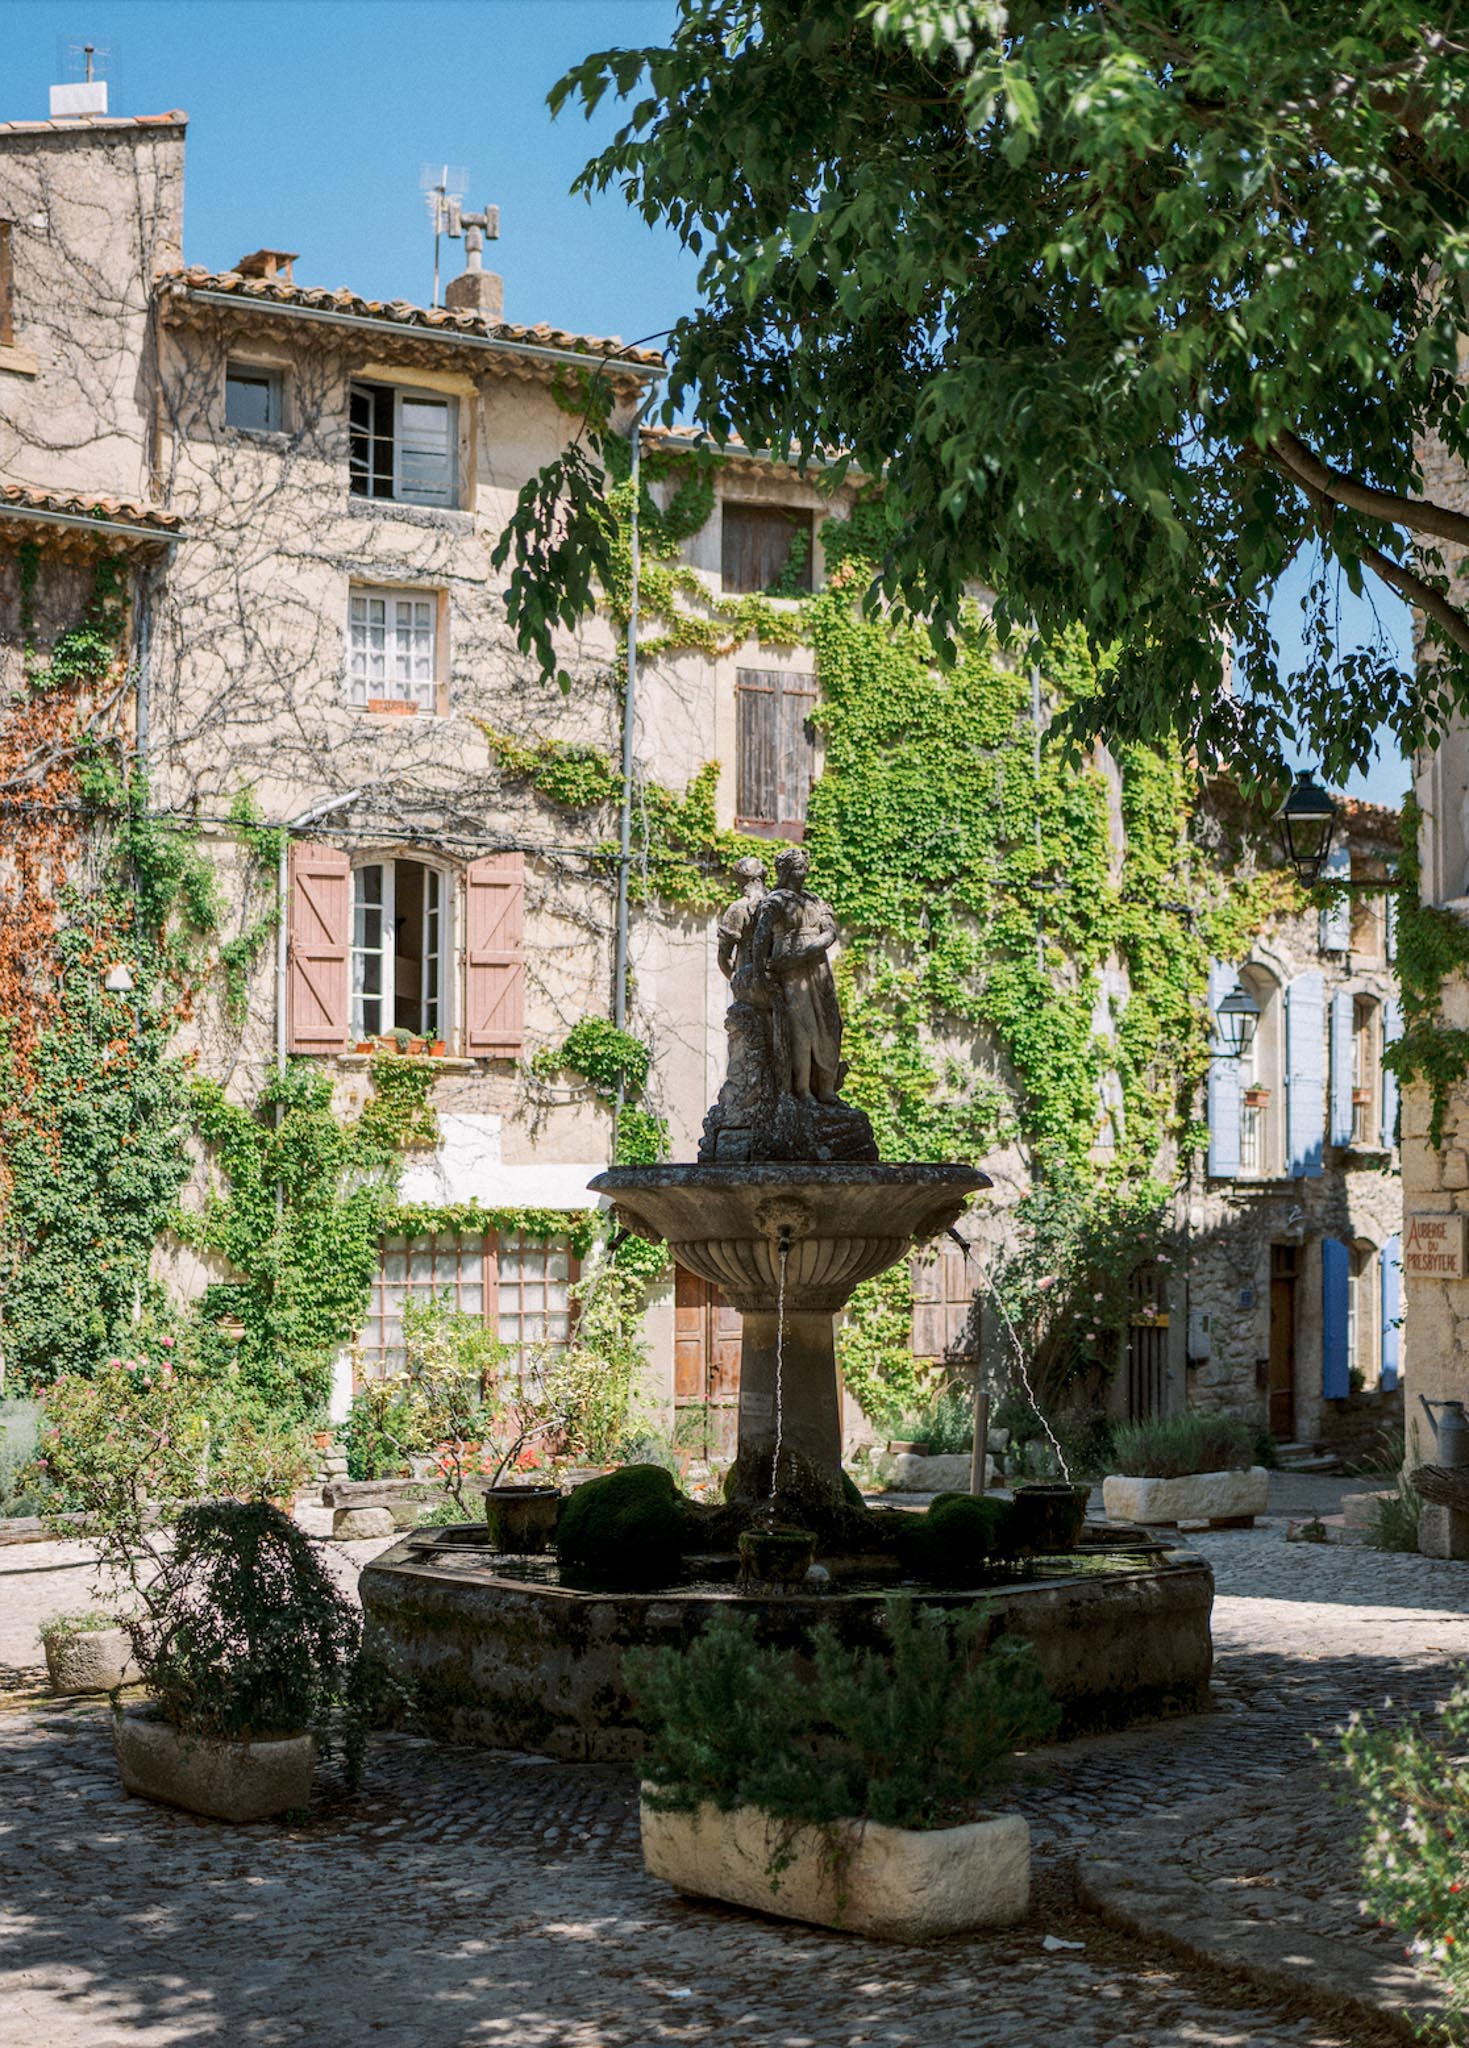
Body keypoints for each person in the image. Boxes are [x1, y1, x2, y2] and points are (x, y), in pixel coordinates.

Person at [750, 847, 843, 1104]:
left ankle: (826, 1088)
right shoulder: (775, 902)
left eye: (805, 867)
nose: (803, 872)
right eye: (798, 867)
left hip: (816, 968)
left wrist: (804, 952)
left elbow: (830, 933)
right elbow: (760, 940)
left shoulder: (814, 900)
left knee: (829, 1024)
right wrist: (759, 974)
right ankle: (802, 1089)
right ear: (786, 871)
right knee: (801, 1027)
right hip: (790, 971)